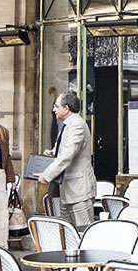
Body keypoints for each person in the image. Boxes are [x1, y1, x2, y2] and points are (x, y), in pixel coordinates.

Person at [40, 91, 97, 228]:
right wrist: (53, 152)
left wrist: (47, 175)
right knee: (68, 234)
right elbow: (65, 150)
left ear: (66, 108)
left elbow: (68, 155)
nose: (54, 109)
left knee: (83, 233)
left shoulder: (77, 124)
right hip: (68, 190)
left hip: (79, 192)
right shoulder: (67, 124)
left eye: (56, 106)